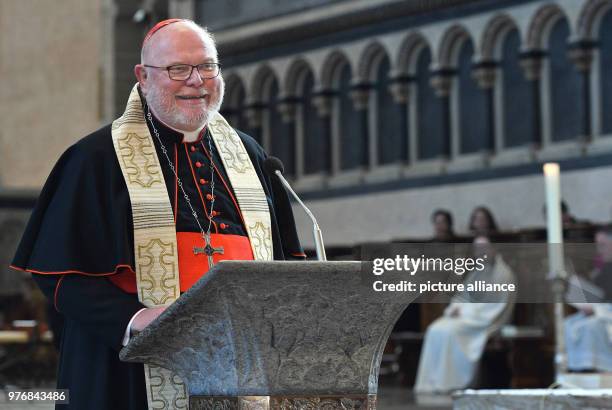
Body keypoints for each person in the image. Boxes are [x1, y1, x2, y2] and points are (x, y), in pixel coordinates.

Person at [10, 19, 305, 410]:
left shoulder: (250, 156)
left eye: (207, 66)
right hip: (128, 371)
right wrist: (136, 321)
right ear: (142, 77)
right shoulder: (95, 160)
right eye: (178, 69)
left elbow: (284, 264)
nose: (196, 80)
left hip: (241, 361)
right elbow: (62, 278)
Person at [414, 236, 515, 393]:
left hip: (484, 321)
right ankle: (432, 381)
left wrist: (466, 311)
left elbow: (495, 306)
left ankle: (451, 382)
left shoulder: (503, 274)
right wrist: (456, 307)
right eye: (477, 249)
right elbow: (463, 296)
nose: (480, 253)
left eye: (483, 249)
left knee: (449, 332)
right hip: (468, 317)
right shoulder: (477, 272)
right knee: (435, 329)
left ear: (493, 249)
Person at [564, 227, 612, 372]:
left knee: (592, 327)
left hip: (606, 316)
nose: (599, 250)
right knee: (569, 323)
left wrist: (596, 309)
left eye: (602, 245)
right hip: (603, 313)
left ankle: (598, 370)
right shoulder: (605, 269)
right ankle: (578, 371)